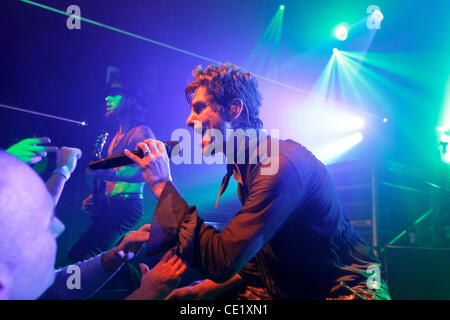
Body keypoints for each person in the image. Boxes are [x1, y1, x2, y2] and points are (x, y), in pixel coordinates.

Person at [125, 63, 390, 300]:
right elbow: (252, 257)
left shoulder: (278, 165)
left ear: (235, 109)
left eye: (199, 108)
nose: (188, 120)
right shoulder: (248, 168)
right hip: (296, 288)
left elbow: (223, 260)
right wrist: (196, 291)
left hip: (345, 291)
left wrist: (162, 184)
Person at [0, 149, 186, 300]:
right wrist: (146, 294)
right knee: (84, 253)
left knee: (83, 253)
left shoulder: (140, 133)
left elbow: (58, 286)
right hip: (117, 205)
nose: (58, 227)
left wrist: (116, 256)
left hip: (125, 205)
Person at [67, 78, 155, 291]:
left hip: (127, 206)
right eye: (107, 94)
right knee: (115, 258)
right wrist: (97, 196)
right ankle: (148, 292)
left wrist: (104, 171)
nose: (107, 98)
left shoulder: (141, 132)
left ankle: (70, 296)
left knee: (79, 256)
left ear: (132, 100)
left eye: (115, 94)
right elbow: (111, 177)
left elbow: (144, 170)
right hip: (112, 205)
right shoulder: (114, 136)